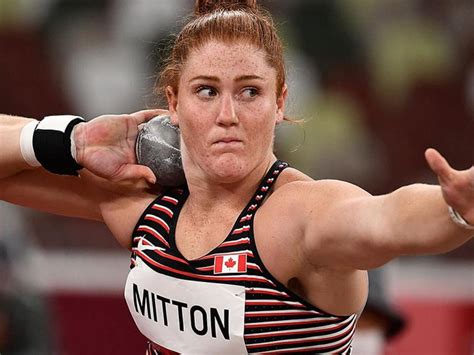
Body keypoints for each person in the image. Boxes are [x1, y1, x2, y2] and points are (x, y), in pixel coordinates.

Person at [0, 0, 473, 353]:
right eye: (206, 91)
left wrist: (454, 209)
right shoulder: (144, 203)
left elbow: (385, 219)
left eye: (249, 91)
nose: (227, 114)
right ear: (173, 103)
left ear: (280, 102)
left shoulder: (299, 218)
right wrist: (72, 141)